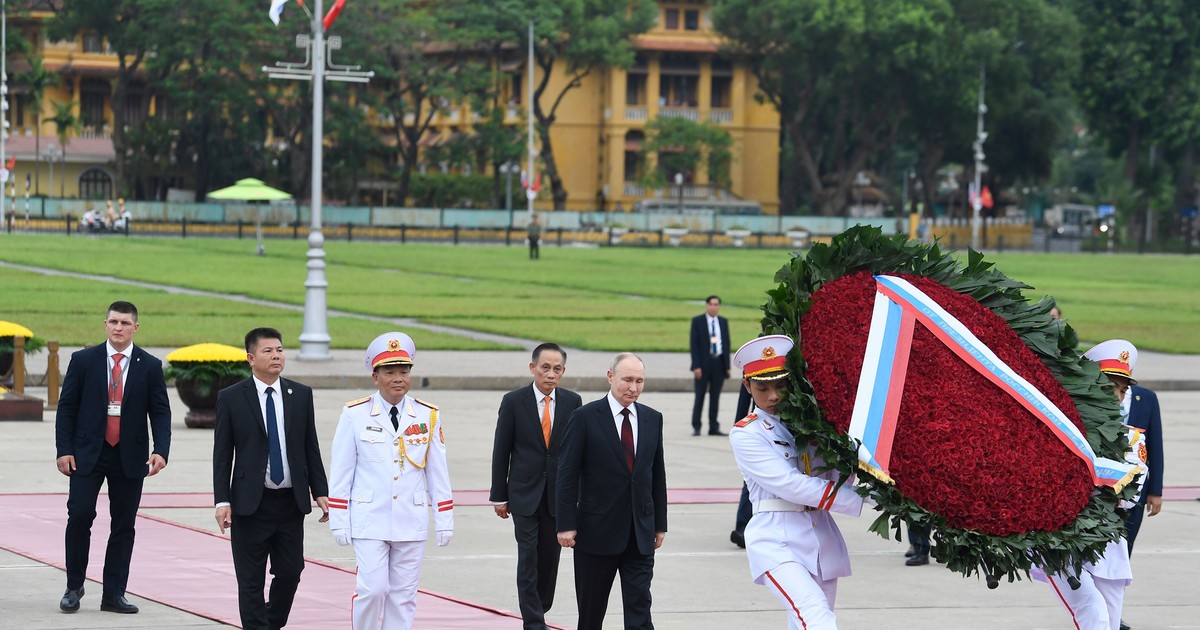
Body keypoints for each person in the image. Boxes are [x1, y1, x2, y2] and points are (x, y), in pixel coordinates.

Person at [728, 335, 866, 630]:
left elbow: (835, 474)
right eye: (762, 388)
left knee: (806, 621)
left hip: (821, 539)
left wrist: (877, 487)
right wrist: (858, 499)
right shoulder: (747, 434)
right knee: (815, 616)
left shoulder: (814, 425)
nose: (773, 396)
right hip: (777, 539)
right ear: (747, 386)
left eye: (781, 385)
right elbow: (790, 485)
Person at [328, 332, 454, 630]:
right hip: (369, 518)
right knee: (373, 589)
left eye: (404, 371)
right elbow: (341, 471)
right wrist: (338, 519)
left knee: (404, 595)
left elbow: (437, 471)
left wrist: (445, 517)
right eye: (390, 372)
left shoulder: (427, 414)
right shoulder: (355, 415)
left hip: (411, 518)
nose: (398, 378)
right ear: (375, 376)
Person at [55, 301, 172, 614]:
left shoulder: (149, 365)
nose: (118, 327)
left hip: (130, 454)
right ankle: (73, 585)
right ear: (105, 324)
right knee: (79, 515)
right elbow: (66, 407)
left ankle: (114, 594)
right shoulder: (83, 361)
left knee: (124, 525)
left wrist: (161, 449)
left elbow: (160, 410)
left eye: (124, 323)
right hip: (86, 453)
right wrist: (63, 449)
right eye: (113, 322)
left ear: (136, 327)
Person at [213, 327, 329, 630]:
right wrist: (222, 501)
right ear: (251, 357)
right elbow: (222, 454)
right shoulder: (231, 397)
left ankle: (271, 623)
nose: (276, 355)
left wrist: (320, 490)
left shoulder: (300, 395)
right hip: (250, 504)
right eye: (268, 351)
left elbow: (310, 446)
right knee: (250, 580)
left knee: (290, 572)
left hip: (290, 502)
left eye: (279, 349)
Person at [1034, 338, 1143, 630]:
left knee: (1108, 621)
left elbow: (1129, 497)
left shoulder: (1132, 439)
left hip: (1108, 546)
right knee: (1092, 612)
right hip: (1063, 541)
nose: (1118, 395)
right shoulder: (1064, 429)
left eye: (1122, 390)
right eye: (1110, 386)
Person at [557, 353, 667, 630]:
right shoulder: (584, 418)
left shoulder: (653, 418)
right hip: (596, 533)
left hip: (640, 534)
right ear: (610, 377)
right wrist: (566, 525)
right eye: (627, 379)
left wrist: (659, 524)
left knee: (640, 608)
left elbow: (656, 475)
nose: (634, 387)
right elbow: (566, 475)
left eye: (639, 381)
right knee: (592, 613)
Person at [490, 342, 584, 629]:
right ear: (533, 368)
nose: (550, 374)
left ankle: (540, 608)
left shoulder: (572, 402)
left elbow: (577, 454)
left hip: (557, 497)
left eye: (557, 369)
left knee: (549, 560)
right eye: (545, 368)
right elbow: (501, 449)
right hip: (523, 495)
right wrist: (499, 495)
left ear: (563, 371)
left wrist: (578, 498)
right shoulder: (513, 401)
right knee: (528, 557)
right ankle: (533, 622)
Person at [689, 295, 731, 436]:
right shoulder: (698, 321)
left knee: (715, 397)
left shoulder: (723, 322)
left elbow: (726, 343)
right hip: (703, 364)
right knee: (699, 396)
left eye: (716, 304)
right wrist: (696, 366)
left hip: (718, 363)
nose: (714, 307)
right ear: (707, 305)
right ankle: (696, 426)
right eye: (711, 304)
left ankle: (714, 426)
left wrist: (727, 366)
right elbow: (694, 345)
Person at [729, 386, 752, 548]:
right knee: (751, 479)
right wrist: (738, 426)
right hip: (759, 425)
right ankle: (743, 528)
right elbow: (745, 396)